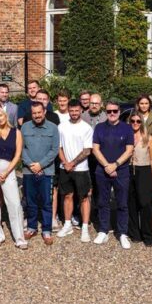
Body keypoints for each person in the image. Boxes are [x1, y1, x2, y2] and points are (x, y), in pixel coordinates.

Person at [91, 101, 135, 249]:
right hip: (102, 171)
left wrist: (115, 165)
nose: (111, 114)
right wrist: (106, 166)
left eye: (114, 111)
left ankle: (122, 233)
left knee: (122, 203)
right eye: (109, 111)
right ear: (106, 111)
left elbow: (129, 150)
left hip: (121, 171)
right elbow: (95, 149)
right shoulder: (99, 128)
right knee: (103, 202)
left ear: (119, 111)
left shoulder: (127, 128)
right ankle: (103, 230)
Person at [0, 108, 27, 249]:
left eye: (1, 115)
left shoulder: (16, 133)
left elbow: (17, 154)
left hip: (8, 169)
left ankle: (20, 238)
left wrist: (7, 172)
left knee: (14, 203)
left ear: (5, 115)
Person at [21, 102, 60, 244]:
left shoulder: (53, 128)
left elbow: (54, 150)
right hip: (28, 170)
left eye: (39, 112)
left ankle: (46, 230)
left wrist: (40, 165)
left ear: (44, 112)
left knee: (46, 202)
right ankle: (31, 227)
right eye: (34, 113)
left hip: (47, 170)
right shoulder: (25, 127)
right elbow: (21, 148)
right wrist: (31, 165)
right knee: (30, 201)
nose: (37, 115)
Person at [57, 99, 94, 243]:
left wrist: (72, 163)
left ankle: (84, 228)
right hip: (65, 167)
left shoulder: (86, 128)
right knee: (67, 195)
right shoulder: (62, 127)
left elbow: (87, 150)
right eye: (71, 111)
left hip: (81, 169)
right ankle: (67, 224)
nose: (74, 113)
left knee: (84, 197)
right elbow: (59, 147)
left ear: (81, 111)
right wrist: (65, 162)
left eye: (76, 110)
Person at [126, 110, 152, 246]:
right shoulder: (127, 136)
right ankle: (134, 233)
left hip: (144, 170)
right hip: (128, 170)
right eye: (133, 121)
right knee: (131, 202)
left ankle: (147, 235)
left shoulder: (148, 138)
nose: (135, 123)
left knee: (145, 204)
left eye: (138, 121)